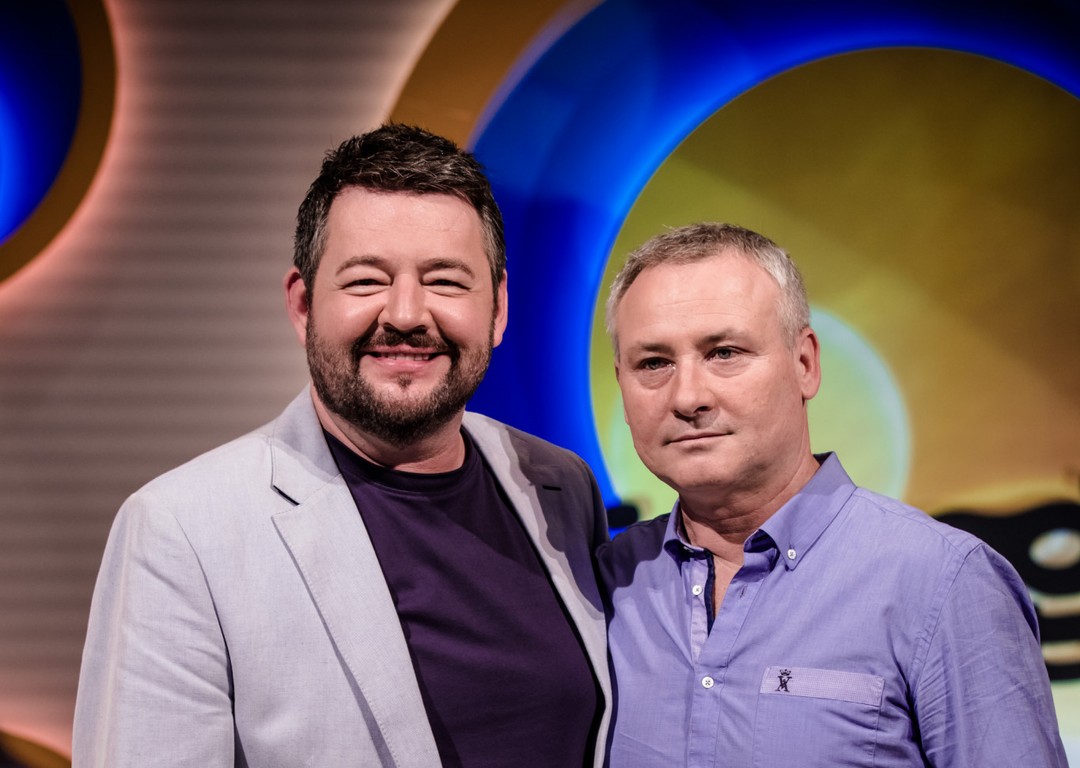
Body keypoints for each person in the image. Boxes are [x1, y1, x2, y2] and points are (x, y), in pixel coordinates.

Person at [73, 124, 611, 767]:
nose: (406, 314)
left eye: (445, 281)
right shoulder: (181, 529)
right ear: (303, 306)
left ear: (497, 309)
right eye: (365, 281)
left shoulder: (559, 484)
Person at [599, 222, 1067, 767]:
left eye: (724, 352)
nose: (688, 396)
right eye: (654, 363)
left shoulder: (942, 581)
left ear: (805, 364)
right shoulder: (603, 584)